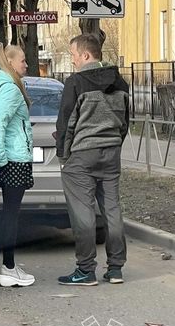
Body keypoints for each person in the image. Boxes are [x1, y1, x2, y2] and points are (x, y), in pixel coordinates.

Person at [55, 33, 130, 286]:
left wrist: (63, 156)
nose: (73, 61)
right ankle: (116, 268)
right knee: (112, 209)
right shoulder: (120, 82)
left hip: (82, 155)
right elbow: (125, 122)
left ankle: (86, 270)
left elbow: (66, 123)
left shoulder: (76, 82)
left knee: (82, 213)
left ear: (86, 55)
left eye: (74, 56)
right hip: (111, 153)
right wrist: (114, 143)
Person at [0, 44, 36, 287]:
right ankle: (9, 269)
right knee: (11, 214)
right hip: (14, 159)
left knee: (6, 213)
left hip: (7, 158)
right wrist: (0, 159)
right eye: (22, 60)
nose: (26, 64)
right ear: (10, 63)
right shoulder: (10, 90)